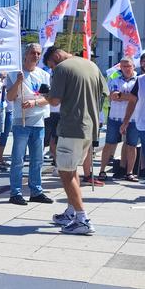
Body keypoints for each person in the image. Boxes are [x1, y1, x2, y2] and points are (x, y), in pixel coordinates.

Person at [44, 46, 107, 235]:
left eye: (51, 66)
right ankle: (71, 212)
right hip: (90, 126)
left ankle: (82, 218)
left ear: (56, 56)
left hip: (71, 127)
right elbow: (104, 93)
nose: (52, 69)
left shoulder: (63, 68)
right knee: (72, 171)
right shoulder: (92, 66)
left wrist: (44, 96)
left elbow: (55, 100)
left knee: (65, 173)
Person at [5, 43, 52, 206]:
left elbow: (49, 98)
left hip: (38, 121)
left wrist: (35, 103)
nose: (36, 56)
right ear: (26, 54)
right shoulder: (14, 73)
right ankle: (15, 192)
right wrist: (18, 82)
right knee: (18, 159)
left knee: (37, 159)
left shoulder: (44, 75)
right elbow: (10, 98)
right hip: (21, 121)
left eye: (39, 53)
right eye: (33, 53)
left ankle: (36, 191)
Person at [98, 57, 139, 182]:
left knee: (132, 145)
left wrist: (122, 96)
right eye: (123, 66)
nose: (126, 69)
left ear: (133, 66)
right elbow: (113, 96)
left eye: (128, 66)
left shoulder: (139, 80)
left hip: (133, 119)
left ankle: (129, 172)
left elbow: (137, 99)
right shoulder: (114, 78)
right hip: (114, 118)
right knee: (109, 144)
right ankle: (102, 170)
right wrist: (129, 97)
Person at [121, 53, 145, 183]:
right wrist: (125, 122)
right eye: (143, 61)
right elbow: (132, 101)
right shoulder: (140, 80)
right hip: (142, 123)